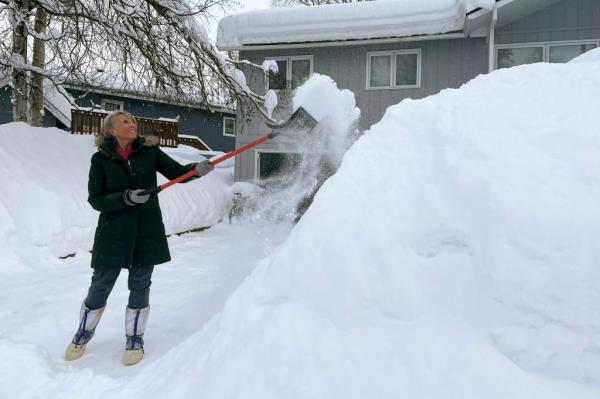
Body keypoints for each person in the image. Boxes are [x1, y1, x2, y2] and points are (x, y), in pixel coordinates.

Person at [64, 110, 214, 366]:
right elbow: (96, 199)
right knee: (100, 285)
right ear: (111, 130)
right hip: (113, 233)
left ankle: (134, 338)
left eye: (133, 121)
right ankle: (84, 332)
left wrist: (197, 170)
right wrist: (125, 198)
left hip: (146, 231)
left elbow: (177, 173)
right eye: (125, 121)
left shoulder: (150, 153)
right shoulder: (100, 160)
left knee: (140, 285)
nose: (132, 124)